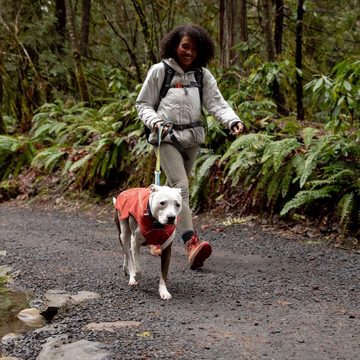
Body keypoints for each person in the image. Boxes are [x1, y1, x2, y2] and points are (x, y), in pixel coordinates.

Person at [135, 24, 244, 270]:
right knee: (181, 189)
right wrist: (156, 122)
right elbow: (143, 104)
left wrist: (233, 121)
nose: (189, 52)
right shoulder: (160, 71)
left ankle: (157, 235)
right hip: (166, 137)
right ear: (175, 45)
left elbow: (217, 103)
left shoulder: (201, 76)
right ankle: (190, 243)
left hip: (193, 139)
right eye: (185, 46)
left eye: (194, 49)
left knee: (173, 190)